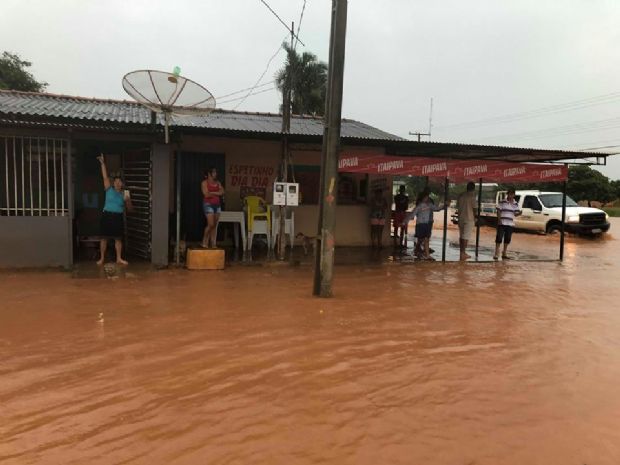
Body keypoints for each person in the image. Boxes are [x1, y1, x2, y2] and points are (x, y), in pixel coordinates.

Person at [97, 154, 132, 266]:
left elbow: (130, 209)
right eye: (116, 181)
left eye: (119, 181)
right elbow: (105, 177)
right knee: (103, 238)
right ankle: (102, 258)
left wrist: (128, 201)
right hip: (107, 216)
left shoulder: (125, 193)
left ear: (122, 184)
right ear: (113, 183)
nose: (117, 183)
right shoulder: (108, 189)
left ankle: (118, 258)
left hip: (117, 217)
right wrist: (103, 163)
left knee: (118, 239)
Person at [403, 190, 448, 260]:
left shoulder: (430, 205)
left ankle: (426, 254)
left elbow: (437, 208)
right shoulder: (419, 206)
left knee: (426, 239)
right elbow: (412, 215)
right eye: (426, 198)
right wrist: (404, 222)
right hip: (420, 225)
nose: (428, 199)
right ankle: (420, 252)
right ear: (422, 198)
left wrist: (444, 206)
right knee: (421, 239)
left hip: (426, 224)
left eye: (428, 197)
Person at [494, 189, 522, 260]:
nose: (510, 196)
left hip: (510, 224)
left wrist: (519, 213)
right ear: (507, 194)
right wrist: (499, 220)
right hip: (502, 223)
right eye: (509, 194)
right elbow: (499, 211)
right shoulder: (502, 202)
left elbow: (515, 214)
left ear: (514, 195)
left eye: (512, 194)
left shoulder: (515, 203)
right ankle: (496, 253)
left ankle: (504, 253)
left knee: (507, 239)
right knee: (499, 238)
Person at [201, 167, 224, 249]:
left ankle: (213, 243)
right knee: (210, 224)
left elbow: (222, 192)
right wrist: (216, 193)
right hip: (208, 204)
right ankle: (205, 240)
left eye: (215, 172)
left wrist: (212, 192)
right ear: (209, 174)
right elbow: (206, 194)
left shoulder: (218, 182)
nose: (215, 174)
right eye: (213, 172)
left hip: (217, 205)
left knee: (215, 225)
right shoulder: (204, 183)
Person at [457, 182, 477, 261]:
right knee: (466, 237)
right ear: (473, 188)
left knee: (461, 236)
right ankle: (463, 253)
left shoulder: (461, 196)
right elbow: (475, 208)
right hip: (469, 219)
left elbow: (458, 206)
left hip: (461, 218)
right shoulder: (472, 196)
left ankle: (461, 253)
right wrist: (475, 217)